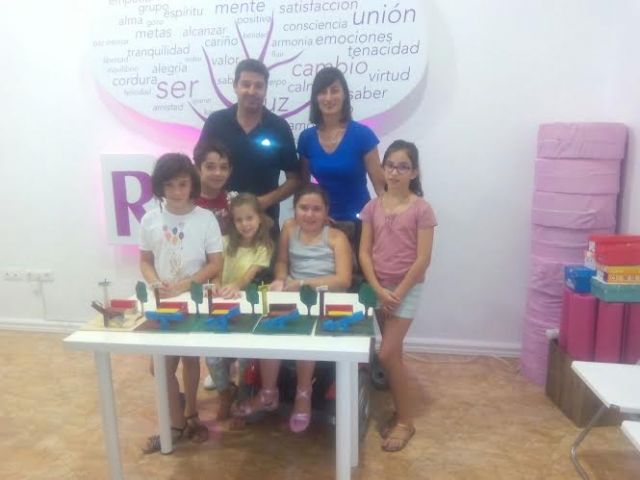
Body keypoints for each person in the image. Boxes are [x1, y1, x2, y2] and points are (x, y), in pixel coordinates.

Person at [232, 185, 352, 433]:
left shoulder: (336, 238)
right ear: (295, 209)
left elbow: (343, 280)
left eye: (316, 209)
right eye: (303, 208)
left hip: (326, 297)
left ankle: (303, 394)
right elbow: (282, 262)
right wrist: (280, 279)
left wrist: (303, 283)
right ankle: (268, 393)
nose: (309, 214)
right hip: (293, 294)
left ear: (326, 211)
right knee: (268, 327)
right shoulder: (289, 228)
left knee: (304, 333)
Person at [139, 153, 223, 453]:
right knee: (160, 366)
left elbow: (215, 263)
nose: (176, 191)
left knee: (190, 360)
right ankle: (176, 421)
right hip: (163, 302)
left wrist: (187, 285)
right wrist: (154, 282)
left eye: (183, 184)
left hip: (194, 301)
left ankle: (189, 417)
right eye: (170, 185)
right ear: (159, 186)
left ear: (192, 184)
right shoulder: (150, 219)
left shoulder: (205, 218)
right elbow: (145, 260)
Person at [358, 140, 436, 452]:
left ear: (414, 172)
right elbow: (364, 252)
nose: (395, 172)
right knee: (395, 356)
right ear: (382, 169)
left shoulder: (422, 209)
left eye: (403, 167)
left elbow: (423, 259)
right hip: (380, 288)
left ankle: (406, 421)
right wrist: (378, 289)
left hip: (407, 289)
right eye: (390, 165)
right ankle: (399, 409)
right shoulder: (372, 207)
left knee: (387, 354)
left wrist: (398, 293)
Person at [197, 58, 301, 227]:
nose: (252, 91)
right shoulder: (216, 122)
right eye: (246, 84)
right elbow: (197, 167)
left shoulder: (279, 127)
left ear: (266, 90)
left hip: (264, 222)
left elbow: (294, 179)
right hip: (218, 222)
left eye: (259, 86)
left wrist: (264, 201)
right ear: (235, 86)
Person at [298, 67, 385, 247]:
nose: (329, 98)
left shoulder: (363, 135)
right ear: (315, 98)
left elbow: (380, 188)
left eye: (335, 91)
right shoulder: (306, 138)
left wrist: (391, 222)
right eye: (323, 92)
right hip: (320, 224)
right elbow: (304, 187)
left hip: (360, 224)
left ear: (344, 95)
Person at [205, 193, 275, 419]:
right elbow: (215, 270)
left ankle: (243, 396)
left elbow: (248, 276)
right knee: (212, 356)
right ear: (232, 222)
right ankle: (225, 394)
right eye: (239, 220)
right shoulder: (224, 242)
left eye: (249, 218)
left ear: (259, 218)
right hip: (222, 305)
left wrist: (235, 286)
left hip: (246, 308)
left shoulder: (264, 247)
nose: (245, 224)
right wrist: (216, 285)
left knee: (245, 357)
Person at [193, 140, 237, 235]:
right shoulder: (185, 201)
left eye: (223, 167)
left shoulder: (234, 202)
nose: (218, 173)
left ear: (230, 171)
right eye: (210, 167)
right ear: (197, 169)